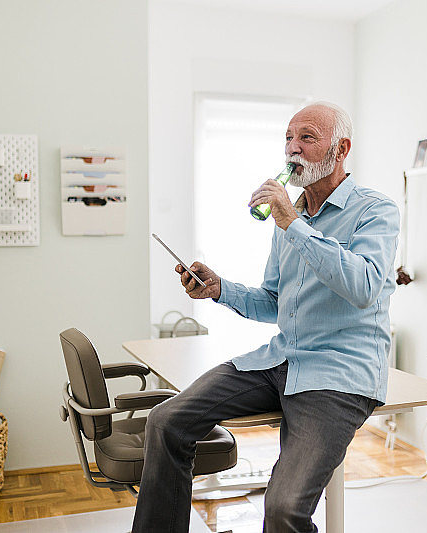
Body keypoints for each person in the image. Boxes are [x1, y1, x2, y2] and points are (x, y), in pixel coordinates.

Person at [131, 101, 400, 532]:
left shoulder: (375, 211)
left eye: (307, 137)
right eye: (288, 138)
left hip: (339, 374)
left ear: (341, 149)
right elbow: (275, 301)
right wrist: (219, 289)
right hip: (281, 359)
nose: (293, 148)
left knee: (284, 508)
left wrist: (292, 222)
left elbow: (364, 286)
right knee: (166, 421)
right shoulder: (289, 218)